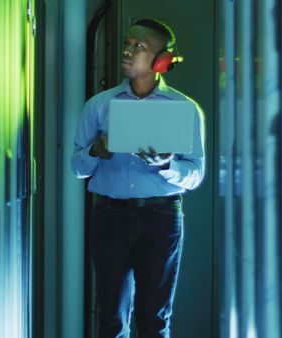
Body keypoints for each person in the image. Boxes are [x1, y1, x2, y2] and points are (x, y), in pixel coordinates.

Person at [71, 18, 205, 338]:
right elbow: (77, 168)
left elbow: (196, 174)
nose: (127, 51)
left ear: (160, 61)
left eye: (139, 47)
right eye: (127, 44)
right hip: (109, 215)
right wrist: (95, 151)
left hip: (162, 217)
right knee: (111, 318)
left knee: (154, 320)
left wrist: (166, 165)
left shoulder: (185, 109)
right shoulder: (99, 106)